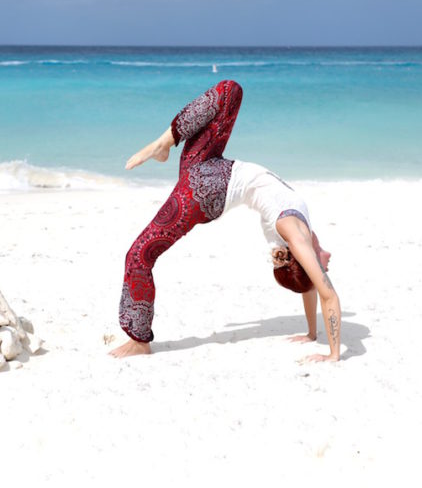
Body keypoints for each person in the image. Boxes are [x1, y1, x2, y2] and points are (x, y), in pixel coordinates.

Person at [110, 80, 342, 362]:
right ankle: (164, 143)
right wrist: (310, 333)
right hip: (211, 164)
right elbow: (312, 286)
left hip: (204, 190)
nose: (325, 265)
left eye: (317, 266)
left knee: (139, 254)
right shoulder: (302, 234)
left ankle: (139, 340)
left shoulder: (294, 232)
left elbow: (327, 294)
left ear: (302, 259)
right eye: (319, 266)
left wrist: (332, 355)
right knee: (231, 91)